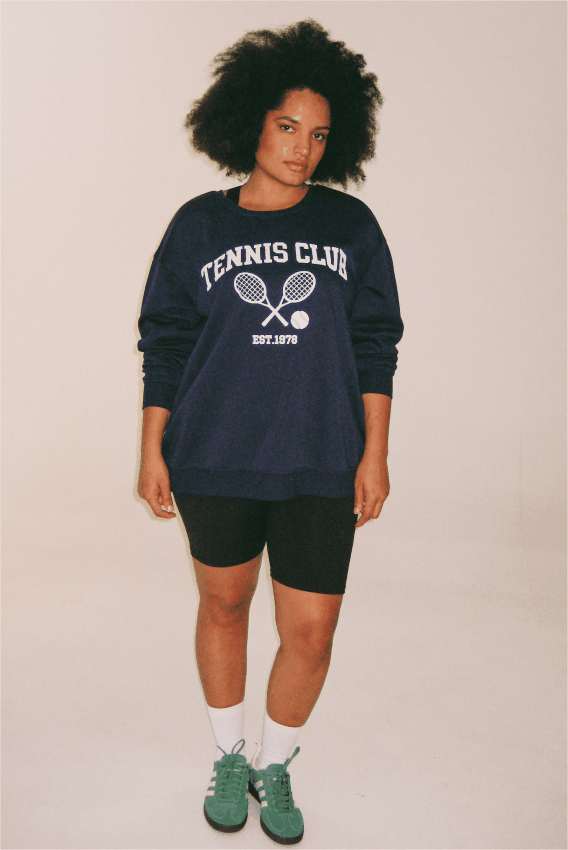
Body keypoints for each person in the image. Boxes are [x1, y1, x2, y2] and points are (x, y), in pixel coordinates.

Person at [137, 19, 403, 846]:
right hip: (214, 452)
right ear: (247, 120)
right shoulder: (198, 226)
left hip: (321, 458)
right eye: (288, 126)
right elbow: (166, 341)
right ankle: (229, 756)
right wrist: (151, 447)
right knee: (224, 605)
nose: (302, 148)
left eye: (319, 135)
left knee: (311, 633)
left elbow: (376, 343)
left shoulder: (352, 227)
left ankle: (275, 764)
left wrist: (375, 454)